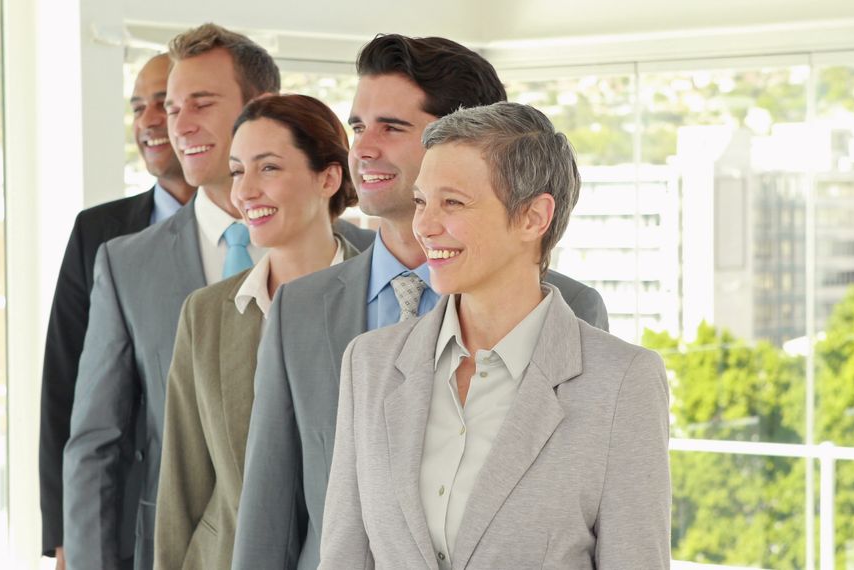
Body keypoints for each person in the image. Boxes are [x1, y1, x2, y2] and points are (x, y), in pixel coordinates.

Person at [232, 34, 607, 570]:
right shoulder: (300, 310)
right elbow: (268, 516)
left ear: (465, 135)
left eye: (392, 127)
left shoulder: (572, 310)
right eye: (358, 126)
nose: (362, 148)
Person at [320, 102, 671, 569]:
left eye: (453, 203)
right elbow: (344, 556)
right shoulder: (370, 364)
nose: (424, 225)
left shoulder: (622, 382)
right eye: (422, 200)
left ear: (533, 217)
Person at [62, 24, 280, 570]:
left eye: (200, 104)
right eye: (171, 107)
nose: (177, 125)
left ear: (264, 108)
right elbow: (96, 443)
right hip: (172, 549)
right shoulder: (126, 263)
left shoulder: (349, 252)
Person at [153, 94, 363, 570]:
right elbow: (182, 483)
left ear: (328, 177)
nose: (244, 191)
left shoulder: (381, 300)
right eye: (236, 170)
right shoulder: (204, 313)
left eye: (267, 168)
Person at [37, 53, 195, 570]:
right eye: (138, 107)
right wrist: (64, 532)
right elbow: (63, 383)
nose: (149, 120)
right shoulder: (98, 231)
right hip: (124, 521)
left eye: (163, 104)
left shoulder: (270, 229)